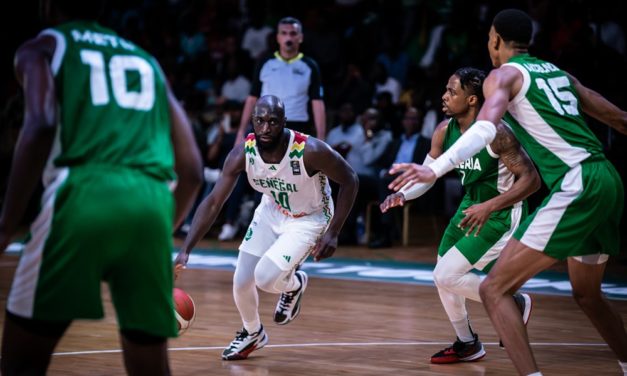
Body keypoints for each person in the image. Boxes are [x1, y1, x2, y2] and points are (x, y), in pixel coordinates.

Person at [388, 9, 627, 375]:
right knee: (588, 294)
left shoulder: (503, 75)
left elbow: (485, 130)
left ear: (496, 40)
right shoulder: (558, 74)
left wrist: (433, 169)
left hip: (575, 183)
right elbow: (618, 118)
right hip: (607, 177)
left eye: (489, 39)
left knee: (494, 291)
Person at [0, 0, 203, 375]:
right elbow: (191, 169)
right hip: (152, 202)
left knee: (20, 362)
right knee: (149, 365)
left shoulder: (42, 47)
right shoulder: (147, 61)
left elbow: (41, 124)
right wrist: (160, 230)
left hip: (83, 196)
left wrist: (6, 225)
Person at [175, 95, 358, 360]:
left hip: (309, 217)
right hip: (272, 210)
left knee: (265, 278)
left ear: (284, 122)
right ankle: (252, 333)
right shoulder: (242, 153)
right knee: (241, 281)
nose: (265, 128)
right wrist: (186, 249)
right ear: (251, 121)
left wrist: (333, 232)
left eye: (272, 121)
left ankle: (293, 284)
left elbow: (350, 180)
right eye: (259, 121)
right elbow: (214, 201)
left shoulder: (311, 150)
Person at [381, 67, 540, 363]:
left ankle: (512, 303)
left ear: (471, 100)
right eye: (446, 89)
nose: (444, 96)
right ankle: (467, 343)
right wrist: (403, 194)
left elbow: (532, 181)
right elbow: (428, 176)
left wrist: (490, 206)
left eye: (452, 91)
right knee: (443, 276)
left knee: (445, 275)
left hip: (500, 213)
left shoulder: (499, 134)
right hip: (470, 207)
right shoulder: (444, 130)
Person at [235, 17, 327, 142]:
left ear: (300, 37)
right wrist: (241, 132)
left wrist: (321, 138)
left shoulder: (310, 66)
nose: (288, 38)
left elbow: (317, 103)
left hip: (298, 126)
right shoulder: (265, 62)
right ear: (278, 37)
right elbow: (252, 98)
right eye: (284, 33)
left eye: (293, 33)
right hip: (265, 124)